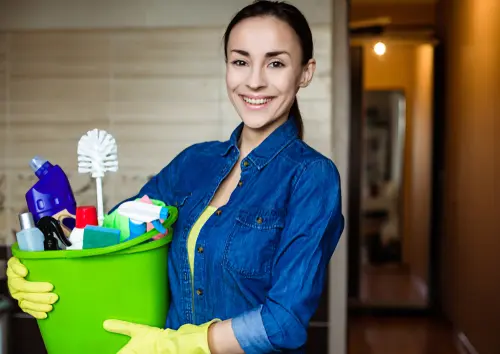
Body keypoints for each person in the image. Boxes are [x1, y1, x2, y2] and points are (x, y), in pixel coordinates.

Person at [7, 1, 344, 353]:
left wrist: (180, 344)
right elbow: (113, 237)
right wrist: (37, 260)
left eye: (275, 63)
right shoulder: (193, 163)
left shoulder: (312, 178)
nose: (255, 81)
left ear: (305, 72)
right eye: (240, 61)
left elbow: (283, 322)